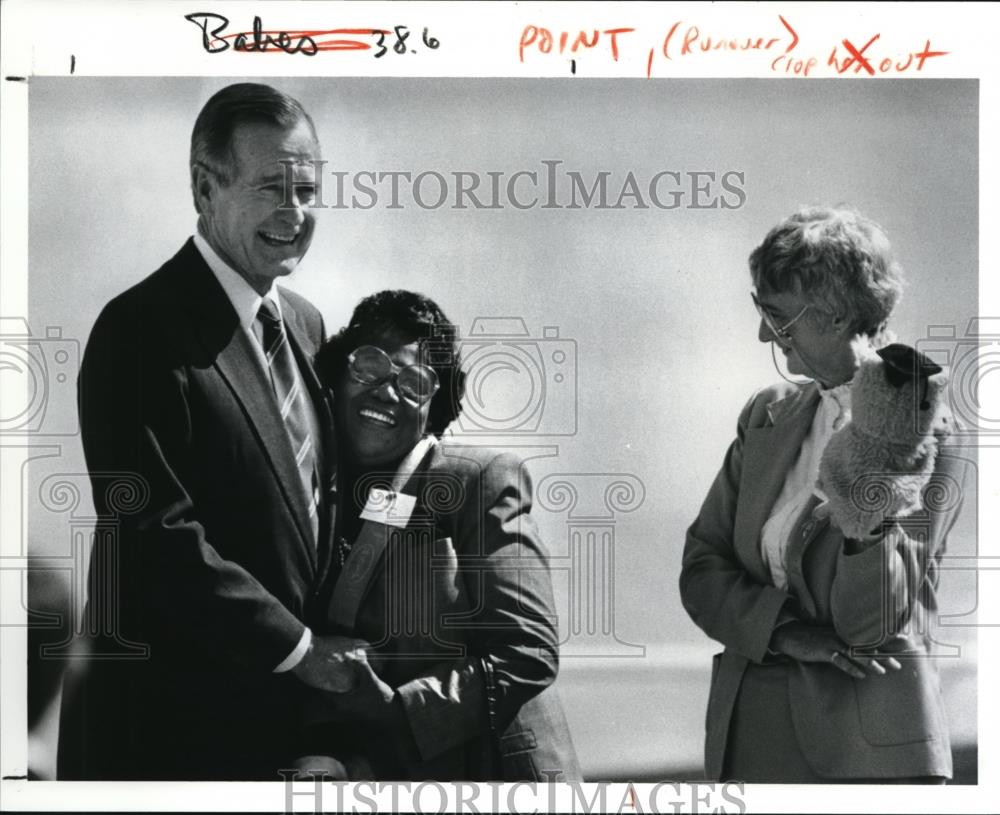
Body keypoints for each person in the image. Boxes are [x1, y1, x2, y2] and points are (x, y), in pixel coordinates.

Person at [58, 83, 365, 780]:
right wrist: (302, 649)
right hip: (172, 739)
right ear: (204, 187)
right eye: (271, 188)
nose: (295, 214)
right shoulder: (138, 329)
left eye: (309, 191)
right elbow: (156, 536)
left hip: (288, 738)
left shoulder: (309, 327)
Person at [680, 206, 966, 783]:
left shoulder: (924, 427)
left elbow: (871, 623)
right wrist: (785, 633)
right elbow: (701, 571)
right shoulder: (767, 415)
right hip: (753, 738)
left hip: (869, 750)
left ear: (835, 316)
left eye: (778, 316)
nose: (764, 333)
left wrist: (878, 464)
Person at [301, 290, 582, 781]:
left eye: (414, 383)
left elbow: (528, 650)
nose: (387, 391)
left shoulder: (479, 477)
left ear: (435, 408)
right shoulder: (309, 494)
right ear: (336, 377)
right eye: (369, 365)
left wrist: (397, 710)